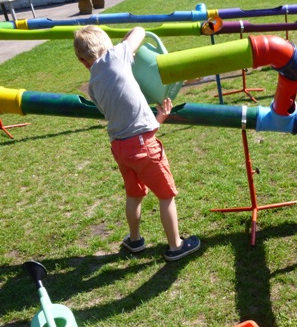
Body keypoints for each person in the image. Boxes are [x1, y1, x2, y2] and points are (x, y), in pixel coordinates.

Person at [73, 25, 201, 260]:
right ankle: (175, 246)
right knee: (165, 195)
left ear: (83, 61)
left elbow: (126, 115)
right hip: (143, 145)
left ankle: (134, 240)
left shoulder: (93, 85)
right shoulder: (116, 55)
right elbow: (140, 31)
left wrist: (159, 117)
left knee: (134, 196)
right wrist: (123, 46)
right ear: (108, 46)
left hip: (120, 147)